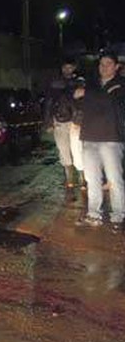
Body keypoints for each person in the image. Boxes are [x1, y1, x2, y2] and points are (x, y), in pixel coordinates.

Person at [75, 52, 125, 234]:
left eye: (108, 63)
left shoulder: (120, 84)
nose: (104, 67)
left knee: (114, 179)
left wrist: (87, 95)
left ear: (116, 66)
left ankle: (118, 215)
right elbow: (80, 101)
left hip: (111, 138)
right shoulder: (93, 84)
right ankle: (93, 214)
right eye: (101, 64)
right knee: (92, 179)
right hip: (89, 137)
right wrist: (89, 95)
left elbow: (111, 101)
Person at [44, 58, 86, 195]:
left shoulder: (80, 81)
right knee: (63, 151)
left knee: (78, 150)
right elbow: (48, 103)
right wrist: (49, 122)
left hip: (76, 122)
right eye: (65, 67)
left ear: (74, 67)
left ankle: (82, 179)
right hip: (60, 121)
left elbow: (84, 101)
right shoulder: (55, 82)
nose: (67, 70)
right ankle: (69, 179)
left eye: (70, 67)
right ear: (62, 68)